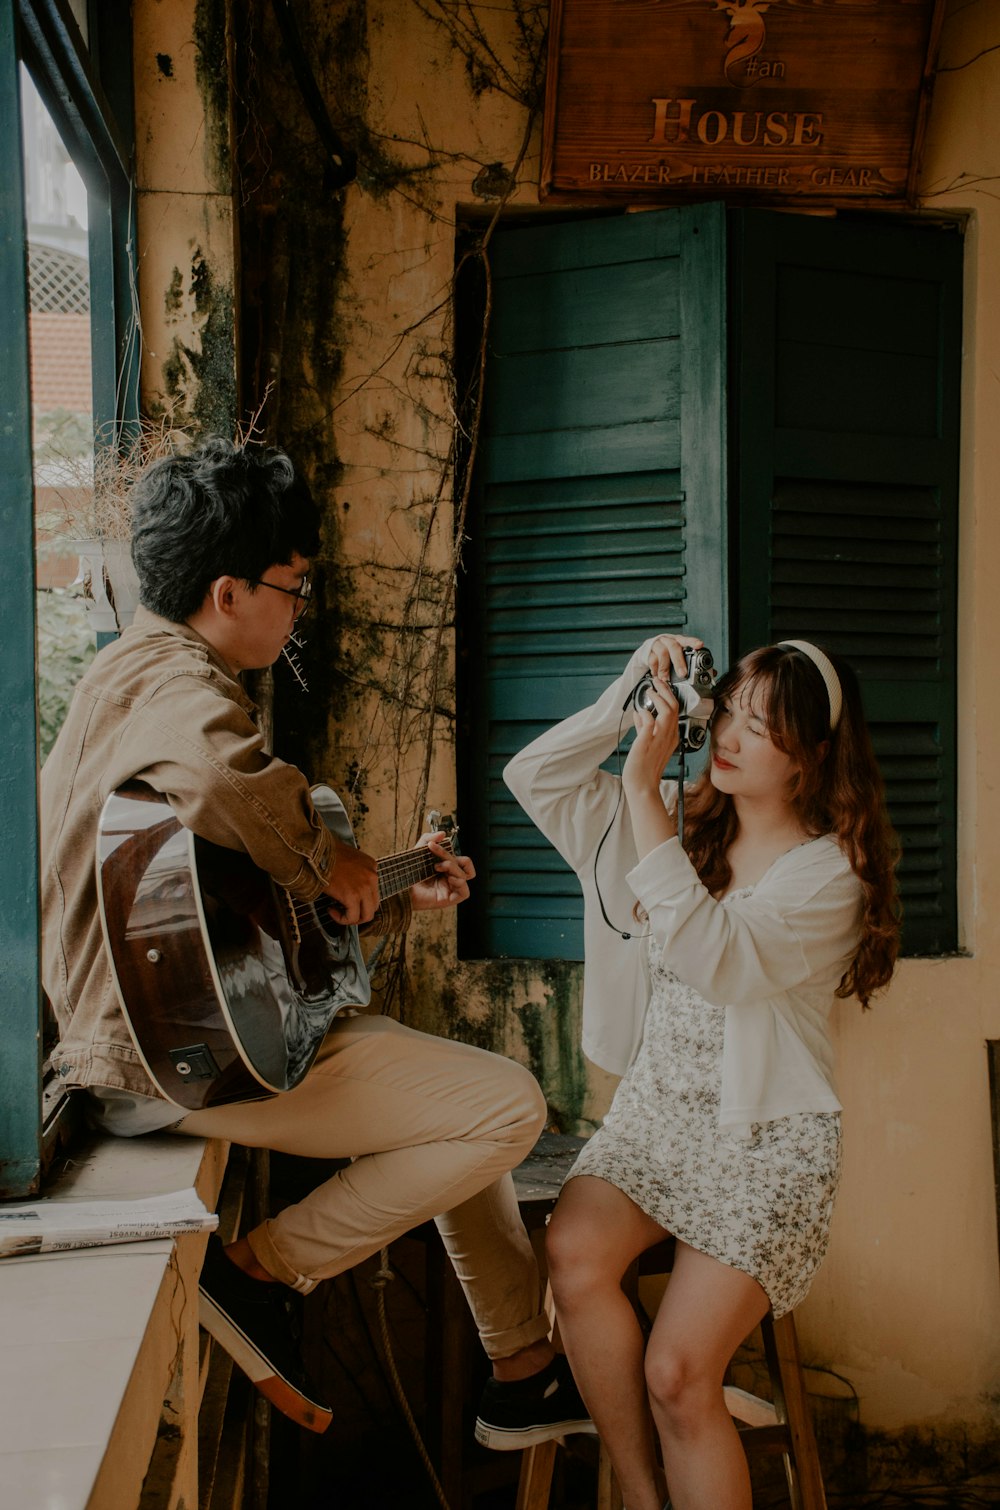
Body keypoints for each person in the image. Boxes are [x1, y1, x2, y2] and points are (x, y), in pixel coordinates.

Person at [40, 435, 591, 1444]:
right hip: (160, 1061)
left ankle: (523, 1365)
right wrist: (331, 863)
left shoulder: (122, 675)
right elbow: (222, 782)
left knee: (456, 1113)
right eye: (293, 587)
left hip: (154, 1041)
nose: (299, 609)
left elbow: (214, 897)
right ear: (226, 590)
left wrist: (382, 880)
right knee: (506, 1106)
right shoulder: (182, 689)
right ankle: (259, 1272)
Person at [503, 632, 900, 1510]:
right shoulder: (676, 814)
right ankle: (645, 1497)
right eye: (730, 713)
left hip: (765, 1143)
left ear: (813, 758)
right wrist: (627, 694)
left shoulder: (831, 875)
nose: (728, 734)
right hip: (657, 1120)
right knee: (571, 1251)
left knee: (677, 1373)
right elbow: (533, 777)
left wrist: (644, 794)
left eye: (761, 728)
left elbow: (717, 956)